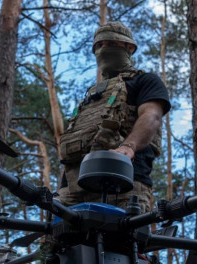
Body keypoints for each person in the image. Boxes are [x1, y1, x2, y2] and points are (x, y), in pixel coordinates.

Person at [58, 21, 170, 212]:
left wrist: (128, 146)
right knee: (57, 240)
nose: (102, 50)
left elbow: (151, 116)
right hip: (72, 192)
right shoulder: (91, 94)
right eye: (98, 46)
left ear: (129, 47)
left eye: (110, 44)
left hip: (124, 183)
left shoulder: (144, 81)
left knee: (120, 240)